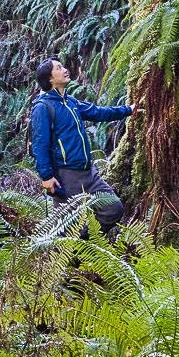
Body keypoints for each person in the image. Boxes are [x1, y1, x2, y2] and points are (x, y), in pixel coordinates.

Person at [28, 57, 132, 230]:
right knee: (66, 226)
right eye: (59, 68)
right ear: (50, 79)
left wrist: (128, 110)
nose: (64, 69)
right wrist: (46, 177)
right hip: (65, 175)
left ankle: (86, 244)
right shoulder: (43, 107)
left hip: (88, 173)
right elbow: (39, 145)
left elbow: (98, 112)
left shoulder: (70, 102)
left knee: (113, 209)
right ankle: (74, 252)